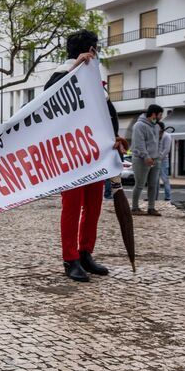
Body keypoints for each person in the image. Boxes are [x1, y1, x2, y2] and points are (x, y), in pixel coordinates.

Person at [44, 30, 124, 283]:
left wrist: (116, 139)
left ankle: (85, 252)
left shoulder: (96, 83)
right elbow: (49, 96)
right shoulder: (62, 74)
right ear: (89, 51)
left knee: (93, 206)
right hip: (71, 155)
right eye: (95, 49)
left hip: (96, 155)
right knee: (72, 206)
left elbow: (108, 114)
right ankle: (70, 259)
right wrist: (77, 66)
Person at [131, 104, 164, 215]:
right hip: (141, 159)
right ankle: (135, 207)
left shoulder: (156, 126)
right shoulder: (139, 125)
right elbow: (139, 143)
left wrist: (158, 156)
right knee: (139, 184)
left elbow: (158, 142)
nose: (161, 117)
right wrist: (146, 156)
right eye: (160, 114)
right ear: (154, 114)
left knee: (153, 184)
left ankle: (151, 208)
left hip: (155, 159)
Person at [157, 121, 172, 201]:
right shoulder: (156, 135)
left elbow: (167, 149)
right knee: (155, 179)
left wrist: (159, 158)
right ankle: (154, 197)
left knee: (165, 178)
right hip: (156, 159)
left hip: (163, 160)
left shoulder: (167, 136)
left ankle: (168, 197)